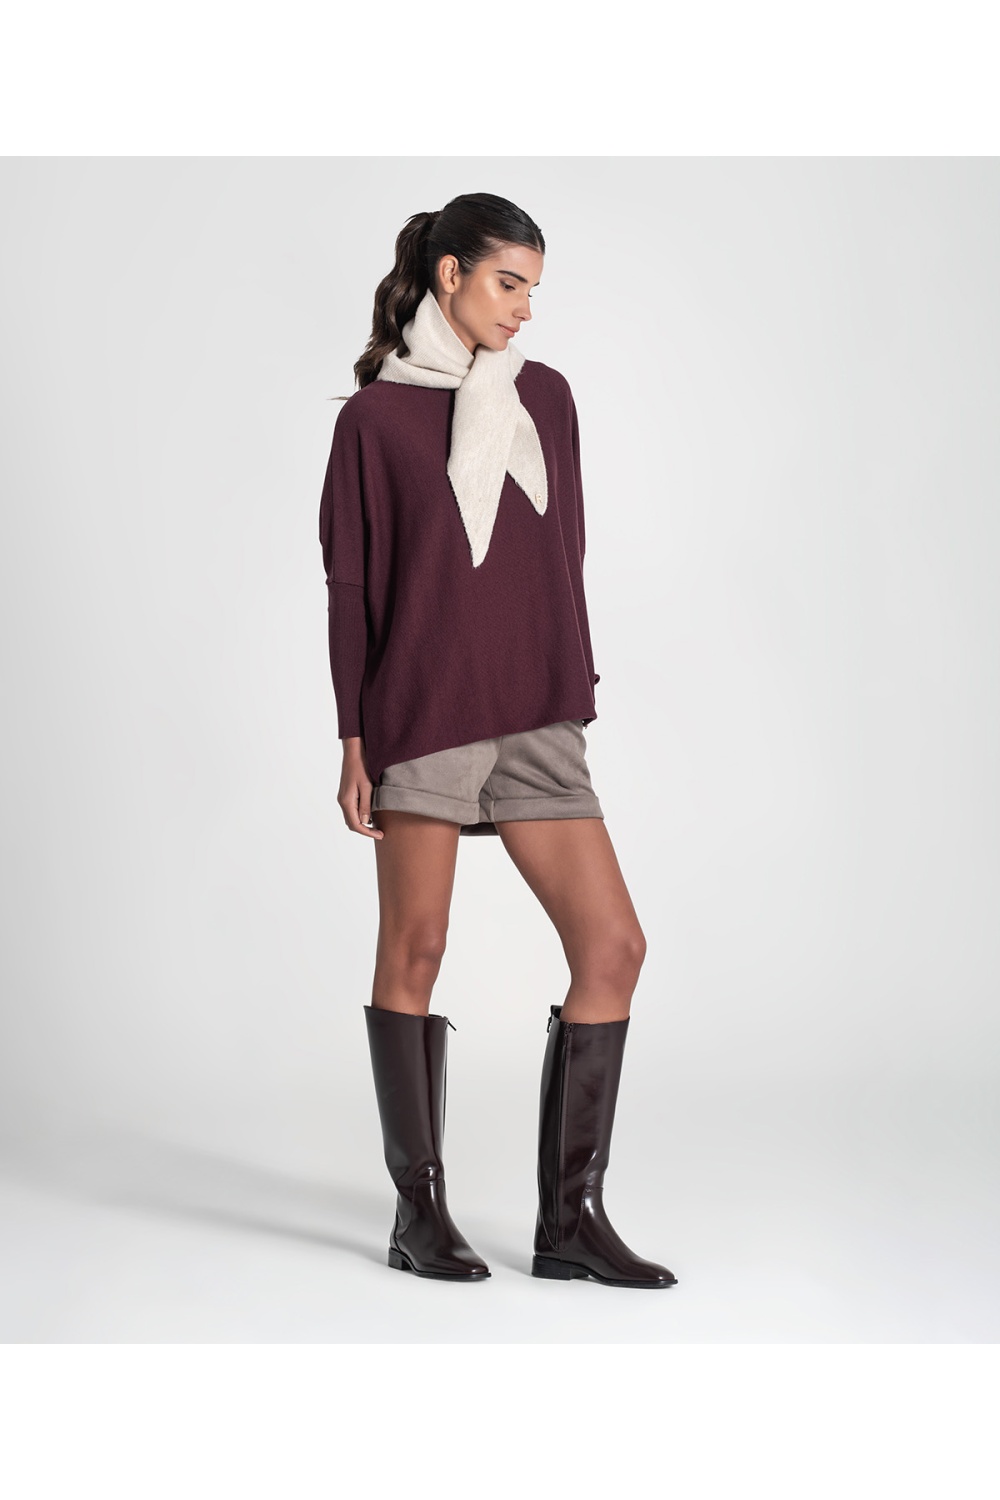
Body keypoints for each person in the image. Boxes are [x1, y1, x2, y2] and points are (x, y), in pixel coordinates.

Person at [318, 192, 677, 1290]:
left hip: (537, 713)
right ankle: (417, 1211)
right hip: (423, 710)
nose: (524, 309)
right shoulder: (373, 422)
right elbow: (353, 589)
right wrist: (353, 738)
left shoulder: (545, 399)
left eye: (533, 288)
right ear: (450, 275)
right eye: (506, 283)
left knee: (613, 947)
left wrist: (574, 678)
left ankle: (571, 1221)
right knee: (415, 949)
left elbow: (566, 552)